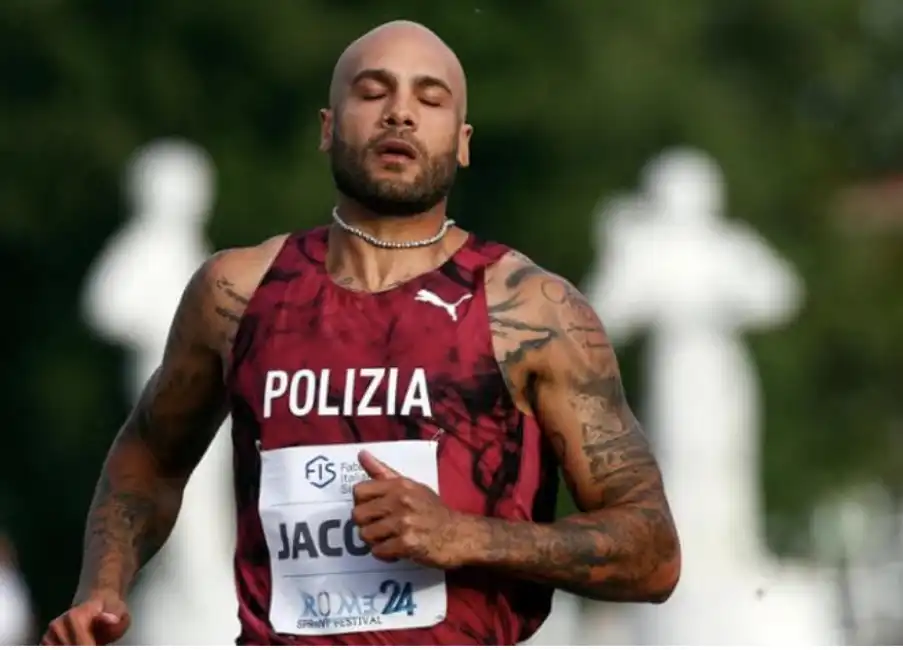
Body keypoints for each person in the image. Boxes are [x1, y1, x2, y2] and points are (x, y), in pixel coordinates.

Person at [42, 20, 680, 646]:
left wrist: (466, 535)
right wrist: (102, 587)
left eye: (429, 99)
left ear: (461, 141)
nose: (399, 113)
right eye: (373, 92)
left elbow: (653, 551)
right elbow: (149, 460)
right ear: (327, 127)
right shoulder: (234, 293)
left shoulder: (531, 310)